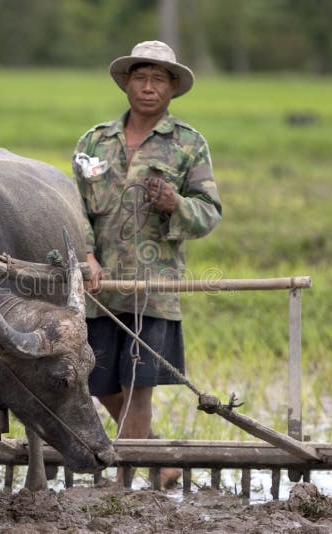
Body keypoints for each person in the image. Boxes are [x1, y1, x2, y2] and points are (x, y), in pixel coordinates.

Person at [72, 41, 222, 487]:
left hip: (153, 288)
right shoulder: (94, 141)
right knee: (97, 381)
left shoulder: (188, 144)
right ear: (127, 84)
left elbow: (209, 211)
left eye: (159, 79)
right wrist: (86, 255)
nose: (149, 87)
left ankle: (119, 482)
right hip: (99, 287)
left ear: (173, 87)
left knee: (139, 386)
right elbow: (74, 206)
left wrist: (177, 202)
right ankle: (160, 456)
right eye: (141, 78)